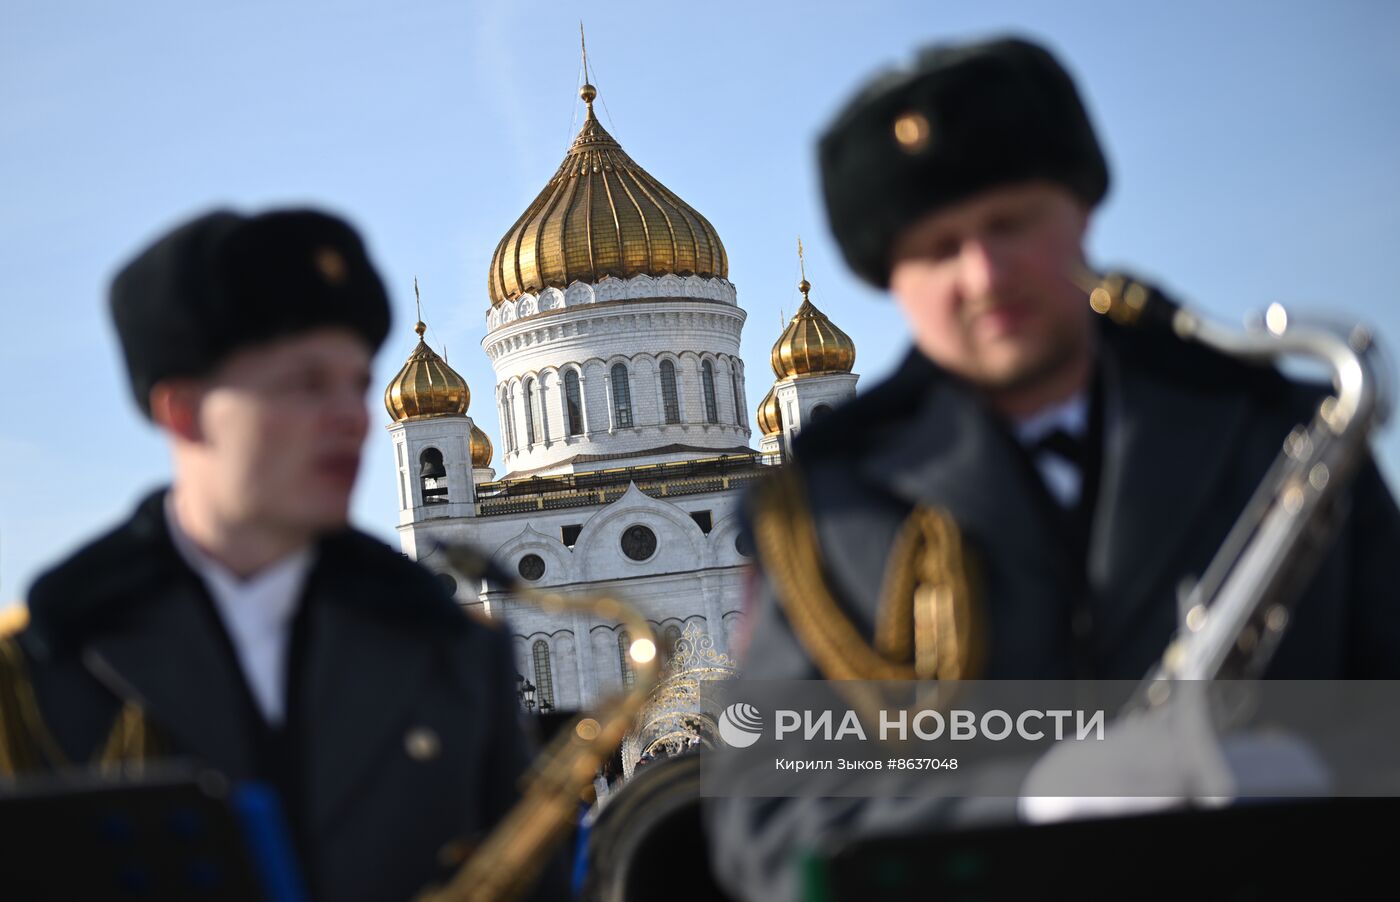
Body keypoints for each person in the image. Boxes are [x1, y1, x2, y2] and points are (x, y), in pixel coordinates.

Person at [705, 36, 1400, 901]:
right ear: (892, 281)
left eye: (1010, 223)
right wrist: (1032, 803)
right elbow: (770, 820)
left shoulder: (1280, 431)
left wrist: (1325, 772)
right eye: (938, 248)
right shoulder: (820, 510)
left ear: (1079, 213)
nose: (984, 275)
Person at [0, 209, 562, 901]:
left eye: (357, 384)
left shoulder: (450, 652)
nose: (351, 418)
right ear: (182, 410)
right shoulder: (38, 667)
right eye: (305, 384)